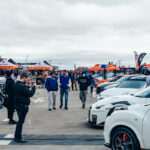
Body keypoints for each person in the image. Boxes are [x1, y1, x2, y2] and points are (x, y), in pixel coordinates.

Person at [14, 72, 36, 143]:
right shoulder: (22, 86)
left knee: (20, 121)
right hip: (23, 106)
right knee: (20, 122)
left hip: (18, 105)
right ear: (24, 78)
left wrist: (29, 87)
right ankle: (18, 137)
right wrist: (34, 87)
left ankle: (16, 136)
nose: (27, 80)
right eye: (27, 79)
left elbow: (23, 91)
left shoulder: (16, 84)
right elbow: (30, 94)